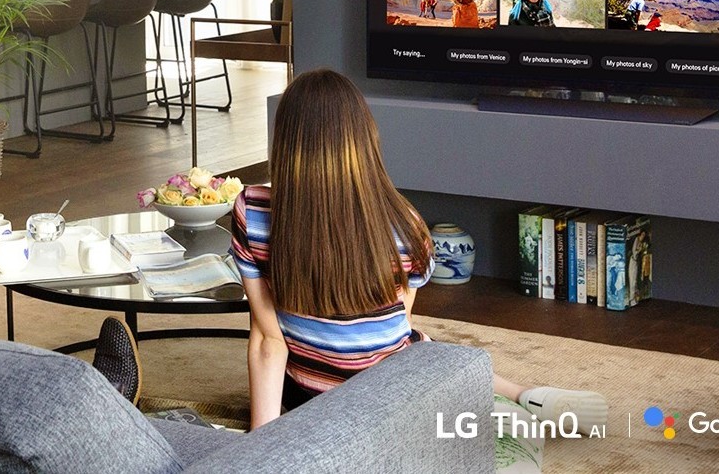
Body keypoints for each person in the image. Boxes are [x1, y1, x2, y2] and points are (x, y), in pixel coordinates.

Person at [231, 68, 606, 429]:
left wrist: (263, 440)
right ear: (365, 141)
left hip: (309, 397)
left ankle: (521, 398)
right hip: (392, 393)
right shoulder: (405, 223)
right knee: (419, 348)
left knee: (416, 349)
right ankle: (525, 396)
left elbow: (268, 340)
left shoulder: (253, 211)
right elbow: (398, 327)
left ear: (284, 141)